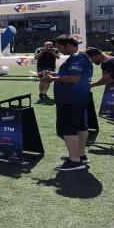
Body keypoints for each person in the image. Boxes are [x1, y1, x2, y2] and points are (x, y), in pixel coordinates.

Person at [41, 35, 93, 171]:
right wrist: (55, 74)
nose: (59, 51)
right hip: (77, 98)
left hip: (71, 98)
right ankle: (80, 156)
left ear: (68, 45)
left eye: (60, 48)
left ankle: (74, 160)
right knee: (80, 126)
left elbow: (74, 78)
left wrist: (52, 78)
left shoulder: (77, 57)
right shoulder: (79, 56)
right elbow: (70, 74)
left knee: (68, 128)